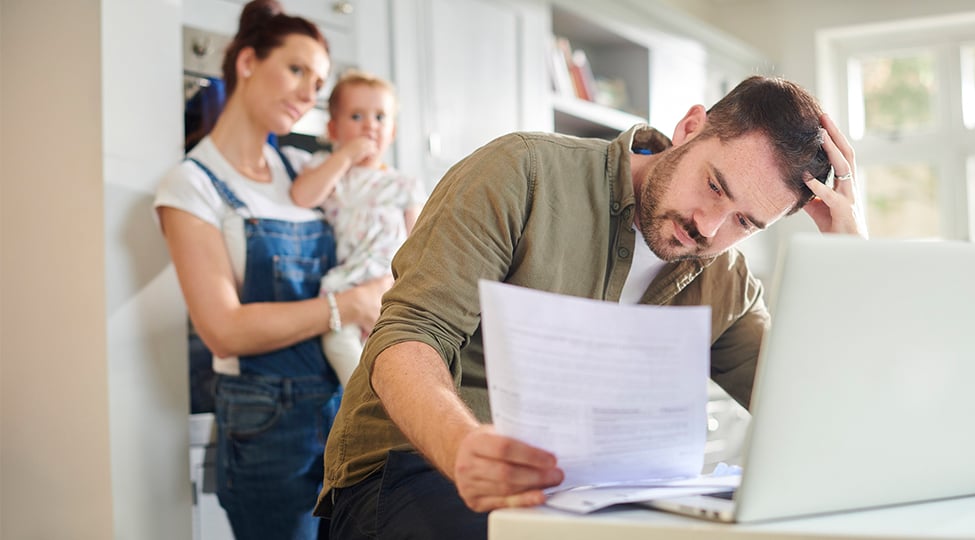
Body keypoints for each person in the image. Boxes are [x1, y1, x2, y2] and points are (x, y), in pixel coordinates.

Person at [315, 75, 867, 539]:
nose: (709, 226)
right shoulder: (522, 173)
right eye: (715, 186)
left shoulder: (723, 278)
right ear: (690, 128)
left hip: (590, 500)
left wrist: (851, 263)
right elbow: (407, 334)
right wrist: (461, 447)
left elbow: (811, 412)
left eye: (745, 223)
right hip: (412, 469)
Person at [153, 1, 390, 538]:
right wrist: (345, 306)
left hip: (340, 412)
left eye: (320, 82)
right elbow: (223, 329)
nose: (310, 93)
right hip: (265, 432)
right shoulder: (191, 186)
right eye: (297, 69)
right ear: (247, 64)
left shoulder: (301, 171)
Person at [290, 69, 426, 386]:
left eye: (380, 117)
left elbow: (418, 245)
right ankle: (362, 401)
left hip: (389, 290)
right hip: (345, 288)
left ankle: (391, 404)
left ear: (392, 132)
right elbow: (302, 196)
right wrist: (345, 156)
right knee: (339, 345)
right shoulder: (327, 171)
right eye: (356, 116)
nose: (370, 125)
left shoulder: (402, 185)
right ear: (333, 129)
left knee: (398, 355)